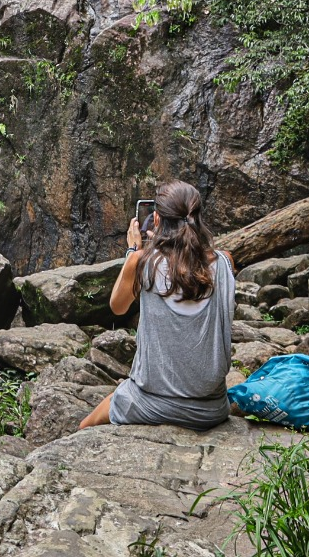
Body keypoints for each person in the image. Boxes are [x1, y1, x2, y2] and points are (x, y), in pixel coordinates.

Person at [78, 179, 235, 430]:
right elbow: (192, 268)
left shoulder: (142, 262)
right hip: (212, 408)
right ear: (198, 219)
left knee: (84, 427)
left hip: (151, 403)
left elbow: (117, 307)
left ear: (158, 220)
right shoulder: (226, 263)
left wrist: (134, 252)